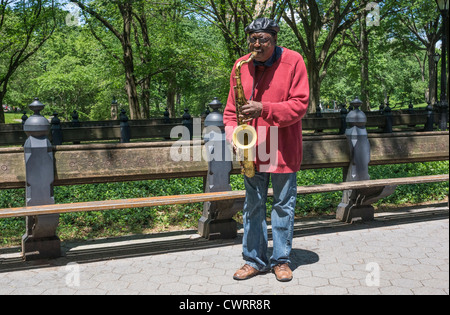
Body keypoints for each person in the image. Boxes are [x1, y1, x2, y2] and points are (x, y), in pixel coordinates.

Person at [223, 17, 309, 282]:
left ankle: (281, 260)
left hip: (283, 147)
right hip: (254, 149)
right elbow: (229, 113)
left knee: (283, 205)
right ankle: (253, 260)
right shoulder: (240, 65)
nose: (256, 44)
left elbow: (300, 104)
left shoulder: (294, 61)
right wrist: (233, 136)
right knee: (253, 206)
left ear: (274, 39)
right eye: (252, 39)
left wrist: (264, 108)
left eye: (263, 39)